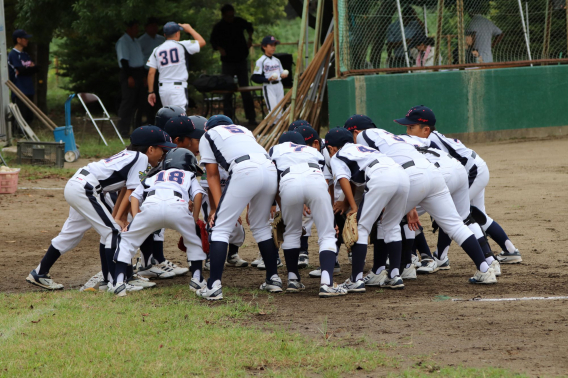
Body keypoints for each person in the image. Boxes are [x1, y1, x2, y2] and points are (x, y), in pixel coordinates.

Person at [345, 115, 497, 285]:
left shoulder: (361, 137)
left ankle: (381, 271)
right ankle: (485, 269)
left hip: (411, 176)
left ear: (355, 132)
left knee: (385, 222)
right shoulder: (389, 136)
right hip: (433, 172)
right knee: (455, 224)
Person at [25, 126, 175, 291]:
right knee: (112, 232)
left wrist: (119, 216)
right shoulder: (141, 158)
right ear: (151, 149)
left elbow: (125, 189)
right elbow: (132, 193)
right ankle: (113, 283)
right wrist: (135, 218)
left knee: (73, 234)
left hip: (79, 184)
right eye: (162, 149)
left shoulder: (131, 154)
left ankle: (40, 272)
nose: (163, 154)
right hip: (86, 188)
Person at [399, 105, 522, 264]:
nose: (407, 132)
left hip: (471, 171)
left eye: (411, 127)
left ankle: (440, 257)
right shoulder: (430, 137)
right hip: (474, 169)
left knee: (454, 213)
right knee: (475, 214)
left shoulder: (430, 140)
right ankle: (510, 250)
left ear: (426, 129)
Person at [196, 115, 280, 300]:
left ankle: (213, 286)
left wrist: (218, 209)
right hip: (269, 168)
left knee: (220, 228)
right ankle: (273, 279)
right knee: (261, 226)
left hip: (245, 169)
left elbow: (212, 175)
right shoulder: (245, 130)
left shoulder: (208, 135)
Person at [113, 148, 206, 296]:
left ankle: (118, 282)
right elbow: (198, 194)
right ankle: (196, 278)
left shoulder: (154, 175)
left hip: (151, 206)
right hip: (177, 206)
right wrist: (194, 219)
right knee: (194, 241)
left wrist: (137, 217)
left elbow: (135, 197)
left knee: (127, 241)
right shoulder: (189, 175)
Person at [326, 127, 410, 291]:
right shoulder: (364, 149)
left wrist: (354, 206)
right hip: (402, 175)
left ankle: (356, 280)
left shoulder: (337, 156)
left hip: (381, 176)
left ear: (331, 148)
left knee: (361, 228)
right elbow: (356, 181)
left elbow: (343, 178)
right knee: (392, 226)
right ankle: (394, 276)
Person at [270, 131, 345, 297]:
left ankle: (293, 279)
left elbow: (273, 181)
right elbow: (325, 177)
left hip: (288, 180)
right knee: (327, 234)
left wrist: (280, 206)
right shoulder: (312, 150)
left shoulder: (275, 149)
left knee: (291, 232)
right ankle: (327, 283)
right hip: (315, 179)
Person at [210, 4, 257, 127]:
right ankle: (227, 119)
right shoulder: (219, 27)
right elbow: (213, 41)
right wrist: (220, 48)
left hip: (241, 59)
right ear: (224, 15)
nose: (231, 18)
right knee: (228, 90)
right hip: (228, 62)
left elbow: (250, 26)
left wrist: (250, 39)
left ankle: (251, 118)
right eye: (228, 16)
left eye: (232, 15)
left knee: (245, 89)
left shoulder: (239, 22)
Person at [147, 22, 205, 110]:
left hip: (163, 89)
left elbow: (151, 73)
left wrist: (151, 92)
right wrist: (190, 29)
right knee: (180, 117)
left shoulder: (157, 50)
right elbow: (202, 42)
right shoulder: (183, 45)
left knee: (168, 116)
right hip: (178, 87)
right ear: (177, 33)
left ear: (165, 35)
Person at [116, 21, 146, 136]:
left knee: (140, 101)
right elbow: (124, 60)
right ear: (129, 29)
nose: (137, 30)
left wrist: (143, 76)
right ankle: (123, 128)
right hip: (129, 71)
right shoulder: (123, 41)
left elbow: (140, 59)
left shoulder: (136, 41)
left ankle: (138, 127)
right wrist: (129, 76)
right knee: (128, 101)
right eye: (135, 27)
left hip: (138, 71)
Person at [251, 36, 289, 122]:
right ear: (264, 47)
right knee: (273, 111)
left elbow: (282, 72)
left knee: (280, 109)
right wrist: (267, 79)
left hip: (279, 85)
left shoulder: (277, 60)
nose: (273, 47)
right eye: (271, 45)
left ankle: (278, 131)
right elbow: (255, 77)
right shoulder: (261, 61)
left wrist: (283, 75)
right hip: (269, 86)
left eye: (274, 45)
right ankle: (272, 130)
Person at [138, 17, 166, 122]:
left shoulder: (161, 40)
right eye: (152, 26)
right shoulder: (141, 41)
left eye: (156, 26)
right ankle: (149, 120)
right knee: (150, 96)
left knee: (160, 96)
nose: (154, 28)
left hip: (161, 71)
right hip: (147, 70)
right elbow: (139, 59)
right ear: (146, 27)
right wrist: (143, 76)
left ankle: (161, 119)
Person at [8, 29, 38, 125]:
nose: (27, 40)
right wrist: (26, 69)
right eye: (25, 39)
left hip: (29, 88)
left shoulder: (25, 55)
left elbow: (33, 69)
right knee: (21, 115)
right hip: (19, 89)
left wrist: (28, 69)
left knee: (29, 115)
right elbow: (20, 70)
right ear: (18, 40)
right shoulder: (13, 55)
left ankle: (28, 137)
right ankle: (18, 135)